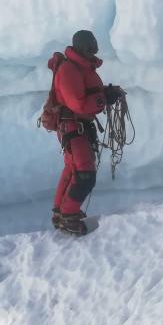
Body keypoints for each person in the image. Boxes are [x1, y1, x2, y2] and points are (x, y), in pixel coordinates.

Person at [49, 30, 123, 234]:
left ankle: (60, 213)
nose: (93, 53)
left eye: (95, 48)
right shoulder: (68, 70)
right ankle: (69, 217)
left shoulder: (81, 67)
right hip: (73, 126)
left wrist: (106, 93)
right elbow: (78, 103)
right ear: (80, 48)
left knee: (73, 169)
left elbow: (87, 94)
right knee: (84, 174)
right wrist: (103, 100)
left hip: (78, 127)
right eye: (90, 49)